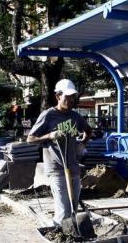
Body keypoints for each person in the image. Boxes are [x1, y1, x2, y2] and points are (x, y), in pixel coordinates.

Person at [27, 79, 93, 226]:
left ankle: (72, 238)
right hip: (56, 169)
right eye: (67, 97)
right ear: (58, 96)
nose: (70, 101)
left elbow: (88, 131)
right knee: (63, 210)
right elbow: (30, 139)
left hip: (73, 168)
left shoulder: (75, 116)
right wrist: (49, 136)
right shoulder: (48, 115)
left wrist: (82, 144)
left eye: (72, 97)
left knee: (73, 208)